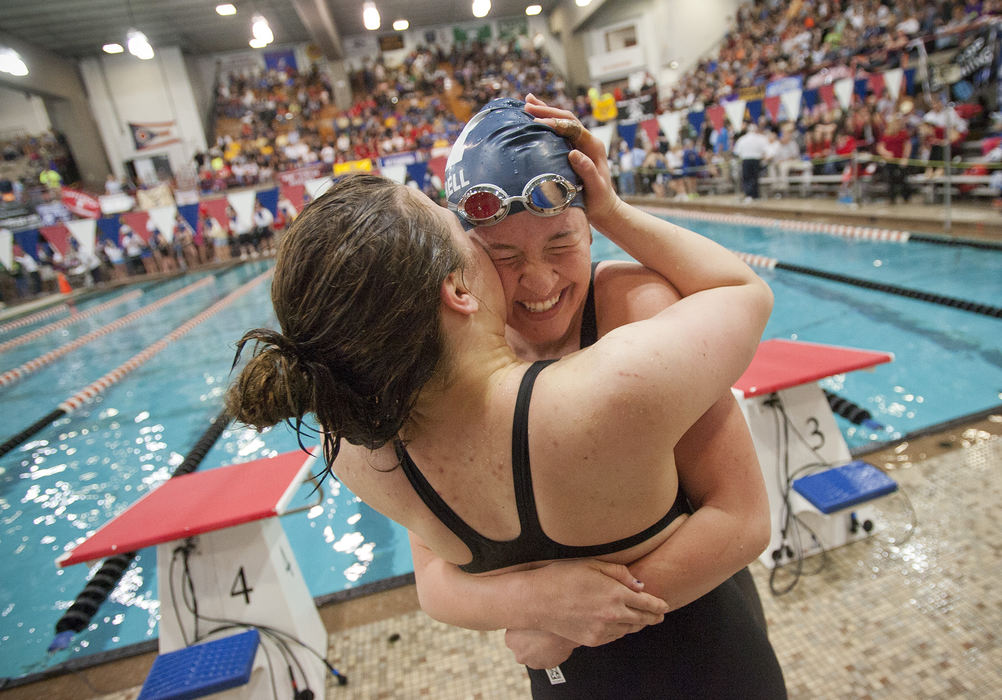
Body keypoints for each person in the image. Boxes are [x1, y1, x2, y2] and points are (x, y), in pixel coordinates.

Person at [227, 102, 782, 698]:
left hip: (700, 645)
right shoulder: (420, 392)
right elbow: (432, 582)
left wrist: (568, 625)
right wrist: (540, 603)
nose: (539, 284)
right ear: (461, 278)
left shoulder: (636, 309)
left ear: (590, 227)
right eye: (504, 256)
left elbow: (741, 519)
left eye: (561, 243)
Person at [733, 123, 769, 201]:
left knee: (747, 178)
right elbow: (766, 150)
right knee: (754, 178)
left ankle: (748, 194)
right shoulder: (760, 138)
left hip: (746, 159)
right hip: (756, 160)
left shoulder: (742, 139)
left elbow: (737, 152)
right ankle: (755, 195)